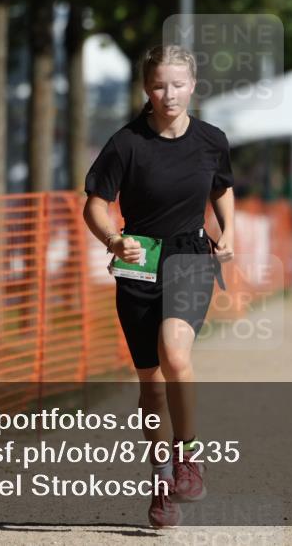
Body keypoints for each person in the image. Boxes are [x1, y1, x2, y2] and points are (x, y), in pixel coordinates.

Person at [82, 45, 235, 528]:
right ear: (146, 89)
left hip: (190, 254)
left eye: (178, 84)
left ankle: (190, 456)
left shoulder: (212, 140)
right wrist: (114, 239)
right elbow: (95, 204)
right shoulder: (126, 143)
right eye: (158, 85)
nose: (169, 94)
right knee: (150, 380)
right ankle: (162, 481)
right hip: (139, 261)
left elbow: (222, 187)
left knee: (176, 353)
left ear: (193, 85)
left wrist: (227, 229)